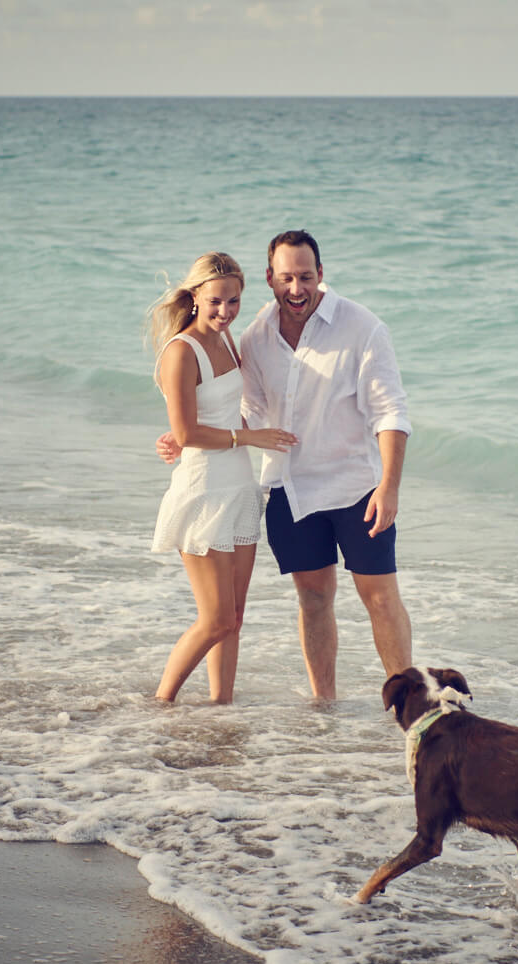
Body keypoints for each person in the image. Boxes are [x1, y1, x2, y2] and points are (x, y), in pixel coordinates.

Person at [158, 231, 413, 699]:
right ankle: (325, 705)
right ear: (270, 278)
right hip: (289, 490)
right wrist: (188, 434)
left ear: (322, 275)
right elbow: (251, 409)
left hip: (355, 488)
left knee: (379, 598)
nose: (297, 289)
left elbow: (390, 413)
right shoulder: (255, 335)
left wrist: (389, 487)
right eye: (287, 278)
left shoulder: (363, 328)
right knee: (313, 599)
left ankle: (409, 707)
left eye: (306, 277)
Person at [147, 252, 298, 704]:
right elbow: (189, 431)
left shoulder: (229, 340)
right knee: (214, 619)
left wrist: (219, 435)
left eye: (233, 302)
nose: (225, 312)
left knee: (234, 615)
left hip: (239, 490)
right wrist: (249, 437)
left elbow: (205, 418)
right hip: (203, 493)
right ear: (195, 297)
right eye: (215, 301)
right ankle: (161, 703)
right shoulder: (181, 351)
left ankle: (221, 706)